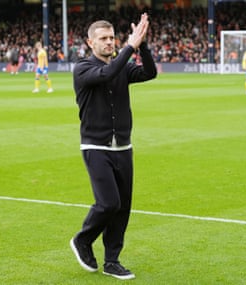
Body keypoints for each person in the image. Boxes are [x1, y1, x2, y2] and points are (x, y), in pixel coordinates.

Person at [70, 13, 157, 280]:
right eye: (103, 38)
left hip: (123, 147)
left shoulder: (121, 67)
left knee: (122, 208)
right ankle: (82, 240)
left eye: (112, 38)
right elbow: (107, 73)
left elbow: (149, 72)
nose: (109, 42)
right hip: (95, 146)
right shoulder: (83, 69)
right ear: (90, 42)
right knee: (108, 203)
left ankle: (112, 261)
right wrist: (130, 46)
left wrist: (141, 45)